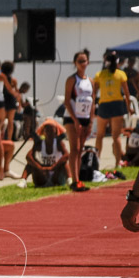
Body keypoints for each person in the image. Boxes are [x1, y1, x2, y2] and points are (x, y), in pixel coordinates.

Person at [93, 50, 134, 167]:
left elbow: (94, 93)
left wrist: (92, 108)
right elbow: (126, 93)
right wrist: (129, 108)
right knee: (116, 136)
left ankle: (97, 162)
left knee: (100, 136)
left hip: (104, 105)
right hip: (116, 105)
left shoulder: (99, 74)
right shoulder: (120, 74)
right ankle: (117, 163)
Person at [63, 49, 95, 192]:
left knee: (80, 149)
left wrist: (91, 121)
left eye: (84, 61)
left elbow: (93, 101)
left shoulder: (90, 81)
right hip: (72, 117)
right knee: (74, 148)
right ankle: (74, 180)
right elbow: (67, 101)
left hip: (85, 117)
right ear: (75, 63)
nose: (83, 64)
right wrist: (75, 119)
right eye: (80, 61)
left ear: (88, 62)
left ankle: (79, 179)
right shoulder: (72, 80)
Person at [24, 118, 69, 188]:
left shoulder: (58, 143)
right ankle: (22, 181)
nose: (49, 133)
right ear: (43, 132)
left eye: (51, 130)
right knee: (30, 164)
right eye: (47, 130)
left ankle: (70, 180)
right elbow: (28, 156)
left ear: (56, 132)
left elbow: (66, 155)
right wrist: (39, 167)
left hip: (56, 175)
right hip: (42, 175)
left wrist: (53, 167)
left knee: (64, 164)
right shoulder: (39, 144)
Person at [0, 60, 20, 139]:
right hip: (9, 100)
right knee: (9, 122)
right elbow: (16, 92)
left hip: (4, 100)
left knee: (4, 121)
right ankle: (8, 138)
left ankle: (4, 138)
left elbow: (16, 91)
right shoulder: (12, 80)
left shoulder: (2, 79)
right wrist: (19, 102)